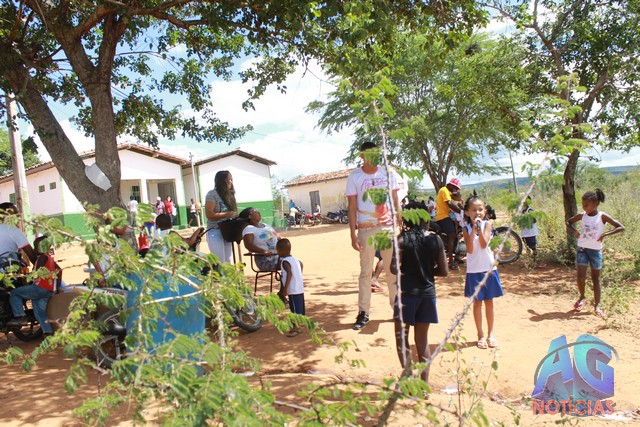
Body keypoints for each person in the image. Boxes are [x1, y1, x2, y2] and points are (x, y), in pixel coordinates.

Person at [390, 201, 448, 384]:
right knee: (422, 341)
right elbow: (444, 271)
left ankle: (408, 378)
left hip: (406, 295)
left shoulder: (401, 240)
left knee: (402, 338)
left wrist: (408, 271)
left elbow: (393, 268)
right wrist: (427, 272)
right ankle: (423, 385)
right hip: (427, 295)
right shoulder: (435, 240)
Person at [346, 141, 401, 330]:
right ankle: (364, 312)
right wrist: (352, 235)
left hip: (387, 228)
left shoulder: (388, 173)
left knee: (392, 270)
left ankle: (397, 310)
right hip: (366, 229)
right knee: (365, 272)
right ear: (362, 156)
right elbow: (352, 207)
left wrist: (399, 221)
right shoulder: (355, 176)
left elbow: (395, 199)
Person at [565, 189, 624, 318]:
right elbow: (568, 222)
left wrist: (605, 234)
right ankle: (582, 297)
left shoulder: (602, 216)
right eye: (583, 205)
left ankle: (597, 306)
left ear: (596, 203)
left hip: (595, 251)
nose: (584, 207)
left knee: (596, 278)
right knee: (580, 276)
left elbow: (620, 227)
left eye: (587, 205)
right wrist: (574, 231)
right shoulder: (582, 216)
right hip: (582, 249)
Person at [462, 195, 504, 349]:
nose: (477, 213)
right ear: (467, 212)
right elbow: (470, 249)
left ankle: (490, 334)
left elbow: (484, 243)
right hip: (474, 271)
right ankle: (480, 335)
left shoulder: (488, 225)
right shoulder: (466, 229)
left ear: (485, 211)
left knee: (489, 302)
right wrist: (473, 229)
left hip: (488, 269)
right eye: (473, 210)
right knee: (477, 303)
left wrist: (479, 228)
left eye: (480, 209)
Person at [8, 235, 61, 336]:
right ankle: (48, 333)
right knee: (41, 314)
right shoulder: (49, 258)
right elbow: (59, 270)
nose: (34, 250)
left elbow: (35, 273)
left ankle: (20, 316)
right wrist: (57, 287)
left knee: (15, 293)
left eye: (36, 247)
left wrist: (25, 277)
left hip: (40, 288)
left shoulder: (42, 258)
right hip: (48, 290)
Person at [205, 170, 237, 264]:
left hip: (227, 232)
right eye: (228, 179)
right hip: (215, 231)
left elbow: (234, 213)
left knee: (228, 261)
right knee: (219, 261)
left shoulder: (230, 195)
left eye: (231, 179)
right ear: (221, 181)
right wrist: (226, 214)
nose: (230, 182)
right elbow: (209, 214)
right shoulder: (212, 194)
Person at [276, 238, 305, 337]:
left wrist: (285, 289)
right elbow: (301, 265)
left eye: (278, 250)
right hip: (299, 288)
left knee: (294, 310)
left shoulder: (285, 261)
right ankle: (300, 324)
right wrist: (299, 278)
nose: (277, 253)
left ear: (282, 251)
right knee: (300, 308)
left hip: (292, 290)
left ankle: (296, 328)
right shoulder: (295, 259)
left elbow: (289, 273)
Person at [435, 178, 463, 270]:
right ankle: (450, 261)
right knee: (452, 235)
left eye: (457, 189)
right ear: (450, 185)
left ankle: (457, 256)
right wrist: (461, 212)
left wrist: (460, 200)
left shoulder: (448, 192)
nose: (455, 190)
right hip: (443, 217)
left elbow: (457, 200)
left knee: (458, 232)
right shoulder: (444, 190)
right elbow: (449, 204)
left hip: (448, 216)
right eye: (455, 188)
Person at [0, 202, 38, 267]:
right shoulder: (13, 230)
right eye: (16, 213)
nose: (18, 216)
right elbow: (32, 256)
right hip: (6, 270)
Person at [520, 196, 546, 268]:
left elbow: (534, 220)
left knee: (533, 248)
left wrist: (525, 221)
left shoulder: (530, 210)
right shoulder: (521, 211)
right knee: (527, 248)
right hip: (524, 233)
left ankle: (535, 262)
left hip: (531, 233)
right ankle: (530, 262)